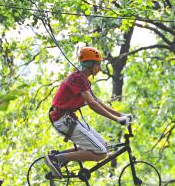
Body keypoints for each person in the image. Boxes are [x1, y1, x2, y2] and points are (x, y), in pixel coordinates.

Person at [45, 47, 132, 178]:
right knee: (101, 153)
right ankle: (57, 159)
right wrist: (116, 119)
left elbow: (97, 101)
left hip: (68, 119)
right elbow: (92, 105)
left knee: (104, 147)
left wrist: (120, 115)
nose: (100, 68)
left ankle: (57, 156)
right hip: (63, 120)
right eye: (98, 64)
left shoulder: (82, 79)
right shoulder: (78, 78)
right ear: (90, 65)